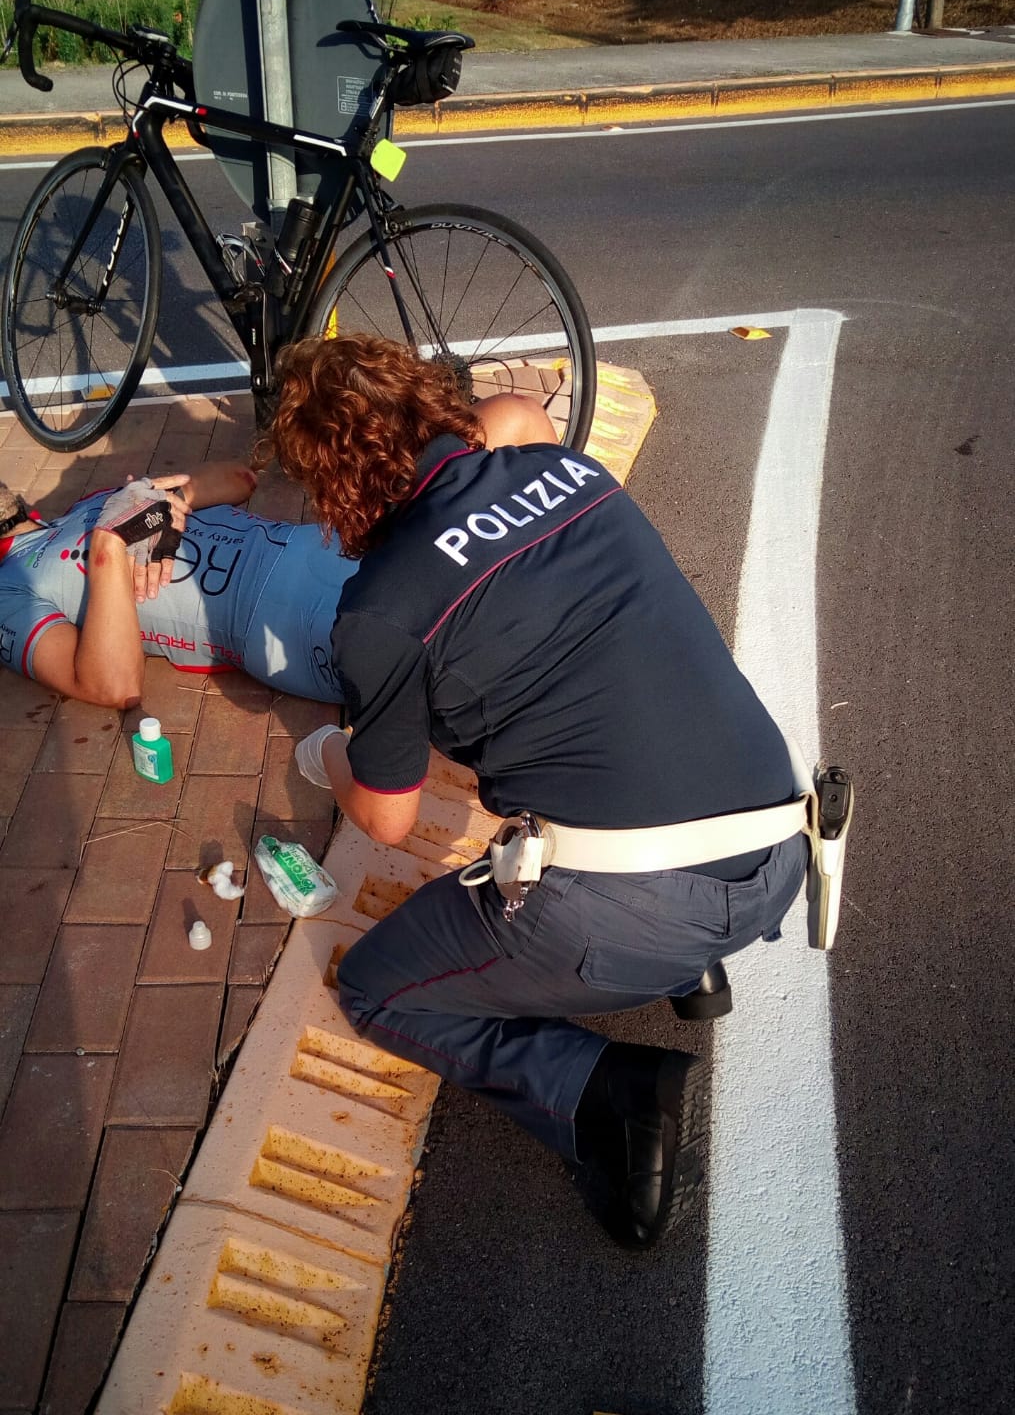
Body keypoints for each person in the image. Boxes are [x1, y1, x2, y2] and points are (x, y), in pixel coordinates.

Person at [266, 331, 811, 1252]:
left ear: (330, 483)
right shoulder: (566, 475)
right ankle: (689, 967)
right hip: (776, 841)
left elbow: (390, 819)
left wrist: (324, 752)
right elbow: (509, 419)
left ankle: (608, 1092)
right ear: (434, 406)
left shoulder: (380, 611)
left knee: (377, 988)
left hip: (630, 913)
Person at [0, 460, 361, 707]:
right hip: (279, 621)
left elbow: (240, 478)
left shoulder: (87, 505)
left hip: (316, 544)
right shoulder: (8, 589)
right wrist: (109, 543)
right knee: (401, 648)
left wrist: (165, 506)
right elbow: (113, 686)